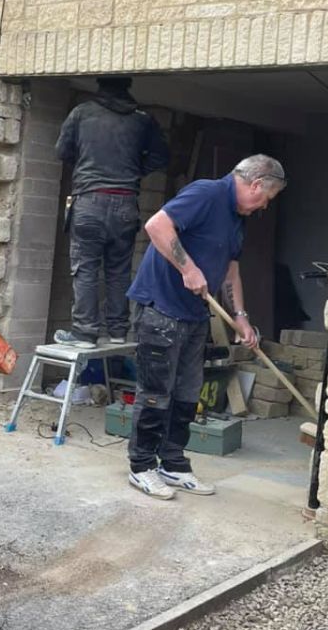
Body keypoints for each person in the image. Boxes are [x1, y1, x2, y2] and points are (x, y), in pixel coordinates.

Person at [126, 154, 287, 499]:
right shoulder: (206, 193)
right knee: (156, 394)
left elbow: (231, 271)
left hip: (195, 314)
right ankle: (141, 466)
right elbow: (156, 226)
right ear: (256, 184)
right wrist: (187, 268)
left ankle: (173, 464)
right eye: (266, 198)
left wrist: (241, 317)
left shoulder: (237, 219)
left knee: (186, 395)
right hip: (161, 308)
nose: (263, 207)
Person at [53, 76, 169, 349]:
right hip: (126, 202)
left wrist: (87, 162)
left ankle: (84, 333)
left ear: (100, 87)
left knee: (86, 268)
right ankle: (118, 330)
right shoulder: (143, 119)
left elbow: (61, 151)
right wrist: (133, 170)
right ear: (126, 88)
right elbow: (161, 157)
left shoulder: (81, 113)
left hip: (89, 201)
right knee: (118, 270)